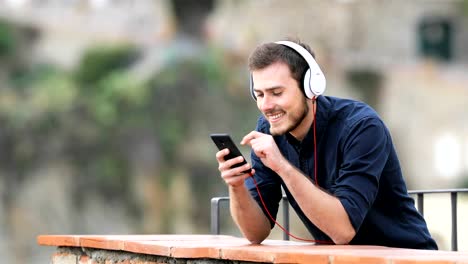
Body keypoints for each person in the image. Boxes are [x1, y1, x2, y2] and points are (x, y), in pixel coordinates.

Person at [214, 39, 438, 250]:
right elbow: (256, 233)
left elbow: (342, 231)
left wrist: (282, 166)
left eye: (277, 93)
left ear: (311, 87)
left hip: (407, 255)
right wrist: (237, 187)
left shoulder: (362, 127)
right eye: (259, 94)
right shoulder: (269, 131)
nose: (266, 105)